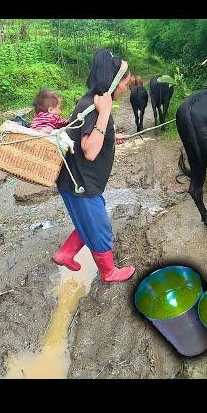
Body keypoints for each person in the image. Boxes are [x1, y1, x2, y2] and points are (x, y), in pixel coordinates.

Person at [52, 48, 134, 283]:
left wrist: (110, 135)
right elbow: (89, 151)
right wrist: (105, 113)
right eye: (125, 83)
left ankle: (66, 253)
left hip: (73, 180)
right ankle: (108, 272)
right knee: (99, 228)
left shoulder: (90, 101)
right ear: (114, 82)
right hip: (82, 184)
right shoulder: (95, 107)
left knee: (86, 222)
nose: (126, 89)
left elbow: (86, 135)